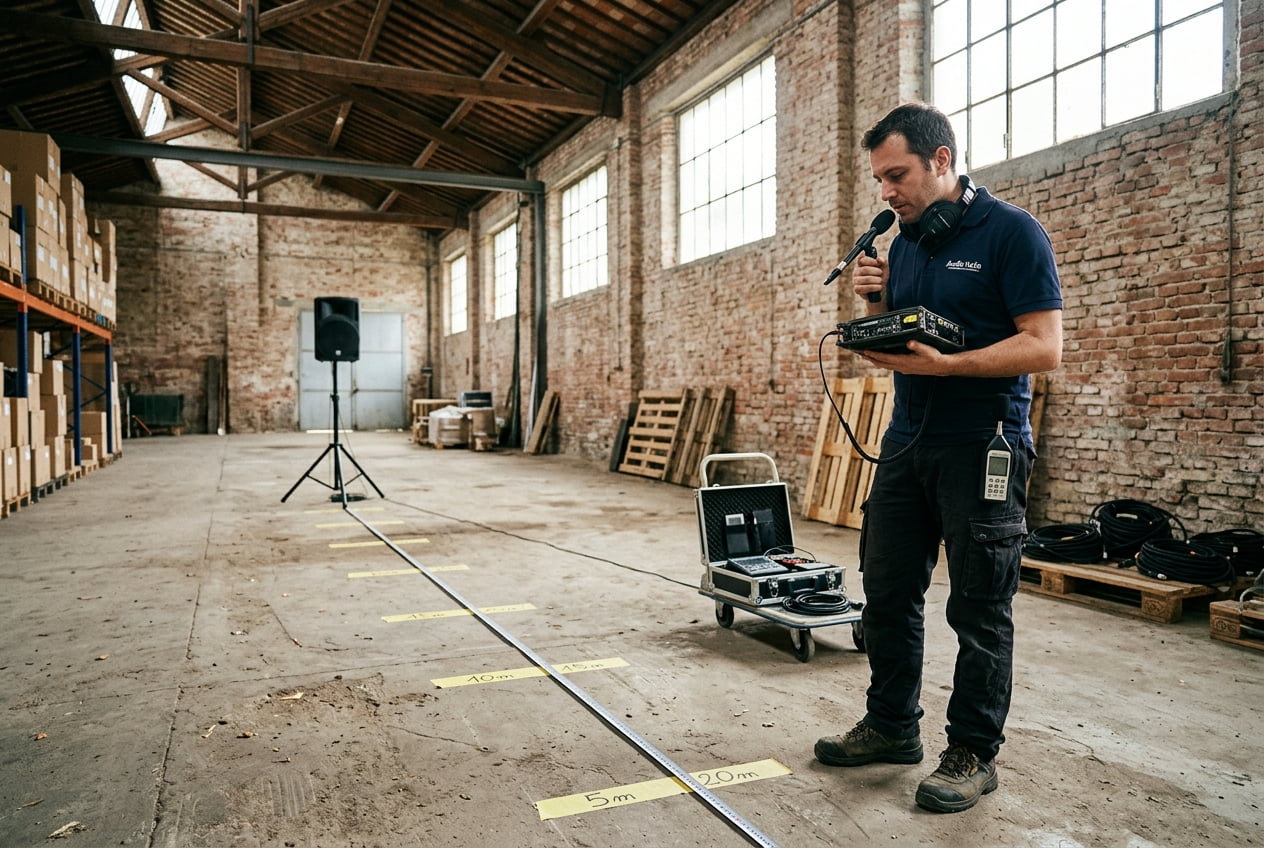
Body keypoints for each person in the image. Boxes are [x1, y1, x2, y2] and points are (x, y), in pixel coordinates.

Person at [814, 102, 1063, 813]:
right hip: (907, 441)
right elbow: (905, 344)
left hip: (983, 443)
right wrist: (877, 302)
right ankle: (893, 726)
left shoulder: (1012, 234)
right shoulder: (910, 243)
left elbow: (1044, 346)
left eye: (896, 175)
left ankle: (974, 753)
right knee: (887, 588)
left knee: (980, 605)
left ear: (943, 160)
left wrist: (949, 370)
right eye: (879, 180)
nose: (886, 192)